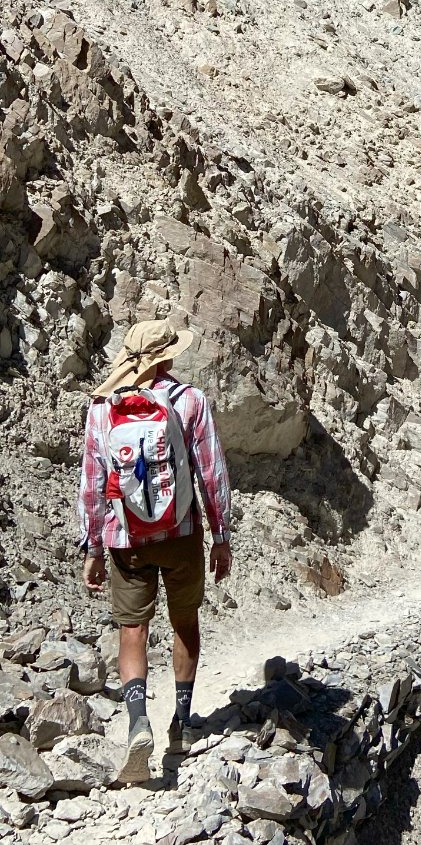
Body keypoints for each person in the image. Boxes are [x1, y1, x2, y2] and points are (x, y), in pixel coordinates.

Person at [77, 319, 232, 785]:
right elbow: (211, 474)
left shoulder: (103, 408)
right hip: (181, 534)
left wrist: (93, 547)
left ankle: (137, 720)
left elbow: (92, 484)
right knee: (185, 621)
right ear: (168, 357)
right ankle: (181, 725)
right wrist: (220, 537)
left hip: (126, 539)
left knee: (132, 631)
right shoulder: (189, 402)